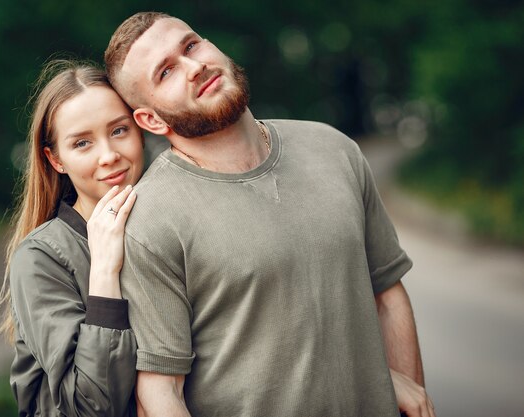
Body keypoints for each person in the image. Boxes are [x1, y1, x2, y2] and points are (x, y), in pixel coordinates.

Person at [104, 12, 435, 417]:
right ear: (151, 119)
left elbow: (387, 293)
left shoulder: (333, 149)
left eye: (191, 46)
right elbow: (160, 394)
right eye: (166, 72)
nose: (194, 67)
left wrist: (406, 387)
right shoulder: (151, 220)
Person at [0, 61, 144, 416]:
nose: (109, 155)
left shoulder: (168, 223)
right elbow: (91, 406)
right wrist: (105, 271)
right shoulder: (39, 258)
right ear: (56, 159)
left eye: (119, 130)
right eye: (82, 143)